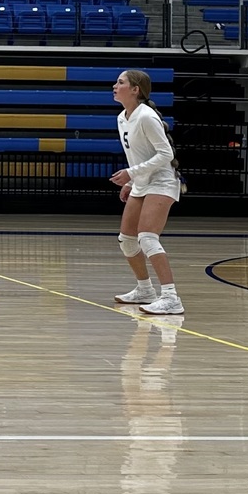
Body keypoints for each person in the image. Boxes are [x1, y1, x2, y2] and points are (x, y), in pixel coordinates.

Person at [110, 70, 185, 315]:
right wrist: (132, 183)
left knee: (147, 237)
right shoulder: (122, 117)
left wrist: (131, 173)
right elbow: (138, 154)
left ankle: (171, 298)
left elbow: (166, 154)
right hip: (143, 183)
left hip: (163, 181)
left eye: (120, 82)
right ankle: (144, 289)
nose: (115, 85)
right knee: (127, 240)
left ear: (135, 90)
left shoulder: (146, 116)